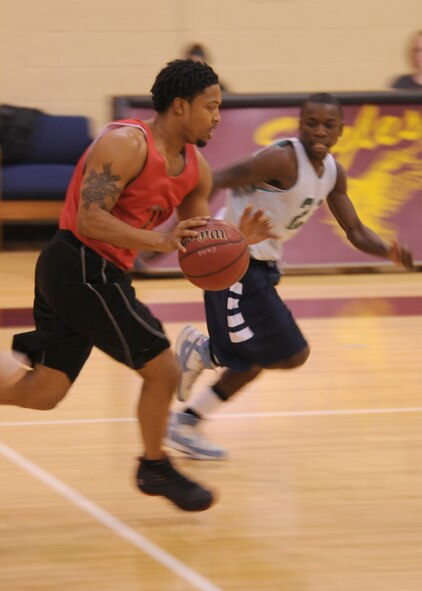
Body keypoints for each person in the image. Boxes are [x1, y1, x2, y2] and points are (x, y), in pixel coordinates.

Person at [0, 59, 271, 511]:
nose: (218, 117)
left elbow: (196, 243)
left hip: (97, 272)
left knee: (45, 391)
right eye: (211, 106)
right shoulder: (125, 144)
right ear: (180, 107)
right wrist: (158, 238)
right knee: (163, 369)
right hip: (79, 263)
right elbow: (90, 218)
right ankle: (154, 467)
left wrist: (239, 242)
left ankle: (153, 465)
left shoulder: (196, 169)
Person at [165, 92, 415, 460]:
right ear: (299, 123)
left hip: (262, 266)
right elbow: (214, 178)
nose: (318, 130)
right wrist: (185, 233)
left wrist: (388, 251)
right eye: (311, 122)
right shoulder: (280, 158)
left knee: (258, 359)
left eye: (328, 125)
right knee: (292, 352)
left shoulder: (332, 172)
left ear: (341, 130)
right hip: (235, 260)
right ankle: (207, 350)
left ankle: (186, 423)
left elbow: (356, 230)